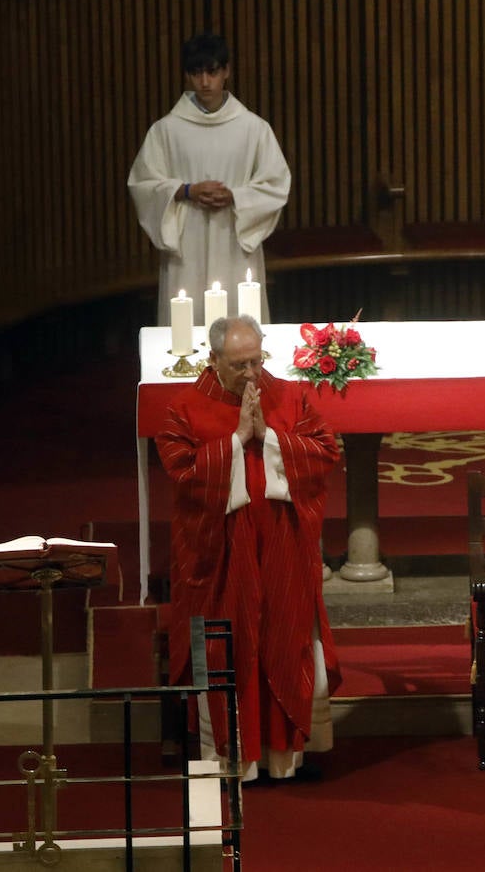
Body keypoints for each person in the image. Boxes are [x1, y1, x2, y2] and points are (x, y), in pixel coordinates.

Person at [156, 315, 342, 782]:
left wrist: (272, 439)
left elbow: (325, 452)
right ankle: (233, 759)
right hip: (221, 558)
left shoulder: (291, 395)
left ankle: (285, 755)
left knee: (285, 642)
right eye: (240, 365)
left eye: (257, 361)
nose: (252, 374)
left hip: (281, 550)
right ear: (213, 358)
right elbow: (182, 474)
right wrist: (237, 440)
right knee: (230, 651)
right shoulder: (183, 407)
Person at [128, 33, 290, 324]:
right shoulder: (166, 131)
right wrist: (185, 191)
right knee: (186, 328)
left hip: (234, 239)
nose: (205, 82)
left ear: (226, 71)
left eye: (212, 72)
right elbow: (143, 184)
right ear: (187, 75)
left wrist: (236, 196)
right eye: (196, 72)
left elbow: (276, 183)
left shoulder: (253, 128)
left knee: (239, 321)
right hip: (186, 243)